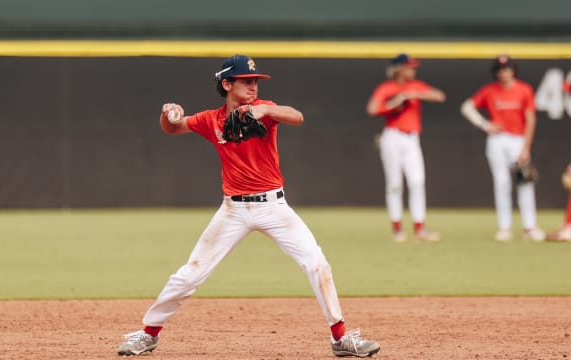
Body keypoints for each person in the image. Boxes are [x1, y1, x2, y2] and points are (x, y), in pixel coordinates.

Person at [117, 55, 380, 358]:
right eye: (246, 81)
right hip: (234, 211)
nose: (253, 86)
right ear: (227, 84)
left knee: (317, 263)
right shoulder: (210, 120)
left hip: (275, 207)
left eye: (255, 81)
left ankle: (341, 338)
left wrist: (265, 109)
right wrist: (169, 114)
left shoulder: (264, 110)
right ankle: (148, 334)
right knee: (189, 275)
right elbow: (173, 128)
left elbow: (297, 116)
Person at [460, 55, 545, 242]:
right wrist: (484, 124)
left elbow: (531, 120)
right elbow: (467, 107)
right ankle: (504, 228)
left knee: (525, 181)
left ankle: (529, 227)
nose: (504, 72)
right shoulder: (490, 91)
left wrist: (526, 147)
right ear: (496, 72)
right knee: (502, 182)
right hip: (497, 139)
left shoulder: (524, 90)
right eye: (500, 69)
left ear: (513, 70)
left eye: (507, 68)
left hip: (518, 140)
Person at [366, 53, 446, 243]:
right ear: (398, 69)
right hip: (393, 136)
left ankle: (420, 229)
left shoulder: (415, 85)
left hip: (412, 138)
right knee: (394, 184)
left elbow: (440, 96)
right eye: (409, 67)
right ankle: (398, 229)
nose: (412, 70)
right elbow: (372, 109)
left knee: (417, 181)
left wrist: (413, 94)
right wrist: (393, 104)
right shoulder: (387, 87)